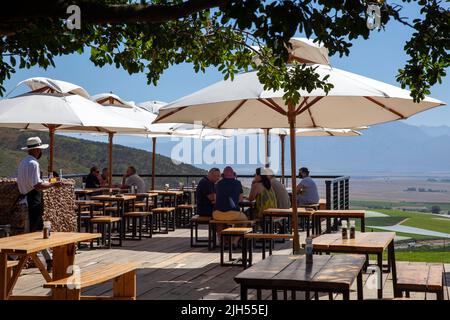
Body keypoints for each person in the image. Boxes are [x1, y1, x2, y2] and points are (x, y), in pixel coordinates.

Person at [17, 136, 61, 272]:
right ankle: (26, 261)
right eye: (40, 149)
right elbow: (37, 185)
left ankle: (48, 260)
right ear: (36, 150)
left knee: (34, 231)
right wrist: (53, 184)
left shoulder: (23, 162)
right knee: (36, 233)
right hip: (33, 201)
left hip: (24, 199)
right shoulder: (34, 163)